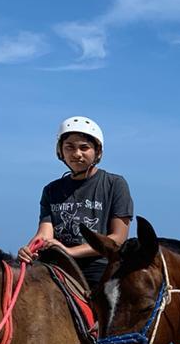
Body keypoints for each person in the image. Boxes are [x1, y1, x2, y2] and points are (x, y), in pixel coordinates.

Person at [19, 116, 133, 288]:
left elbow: (117, 239)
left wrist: (70, 252)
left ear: (97, 151)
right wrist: (29, 250)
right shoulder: (51, 190)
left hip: (98, 267)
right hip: (58, 267)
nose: (76, 154)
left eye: (84, 148)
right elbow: (44, 234)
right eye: (69, 147)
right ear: (61, 151)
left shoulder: (114, 184)